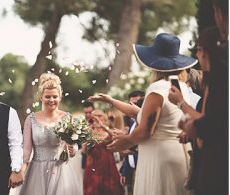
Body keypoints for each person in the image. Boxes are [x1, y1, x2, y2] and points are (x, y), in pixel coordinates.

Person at [88, 33, 197, 195]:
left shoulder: (157, 88)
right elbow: (146, 115)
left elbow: (147, 128)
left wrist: (125, 141)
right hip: (177, 155)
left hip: (159, 159)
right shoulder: (179, 86)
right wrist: (112, 101)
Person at [178, 25, 228, 195]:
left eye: (199, 49)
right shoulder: (214, 83)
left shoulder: (217, 85)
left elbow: (206, 131)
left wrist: (183, 108)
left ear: (206, 52)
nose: (197, 55)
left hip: (215, 165)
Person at [19, 73, 82, 195]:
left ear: (60, 97)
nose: (51, 100)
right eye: (48, 97)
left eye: (55, 96)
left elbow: (73, 149)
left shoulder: (67, 118)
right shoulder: (30, 119)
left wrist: (71, 148)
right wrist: (20, 172)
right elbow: (26, 151)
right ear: (41, 97)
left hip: (61, 171)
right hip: (37, 172)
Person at [83, 109, 124, 195]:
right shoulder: (88, 132)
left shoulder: (109, 130)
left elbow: (114, 137)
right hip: (92, 165)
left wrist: (103, 127)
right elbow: (84, 150)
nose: (96, 118)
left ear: (105, 118)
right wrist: (87, 134)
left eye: (99, 115)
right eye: (94, 116)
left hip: (107, 165)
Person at [120, 91, 144, 195]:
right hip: (130, 170)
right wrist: (125, 171)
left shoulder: (143, 124)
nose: (132, 107)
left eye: (137, 104)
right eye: (130, 104)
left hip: (142, 169)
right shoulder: (131, 123)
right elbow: (128, 150)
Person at [81, 101, 95, 172]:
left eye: (90, 112)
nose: (88, 115)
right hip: (85, 154)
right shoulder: (82, 123)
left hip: (96, 155)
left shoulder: (99, 122)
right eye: (86, 113)